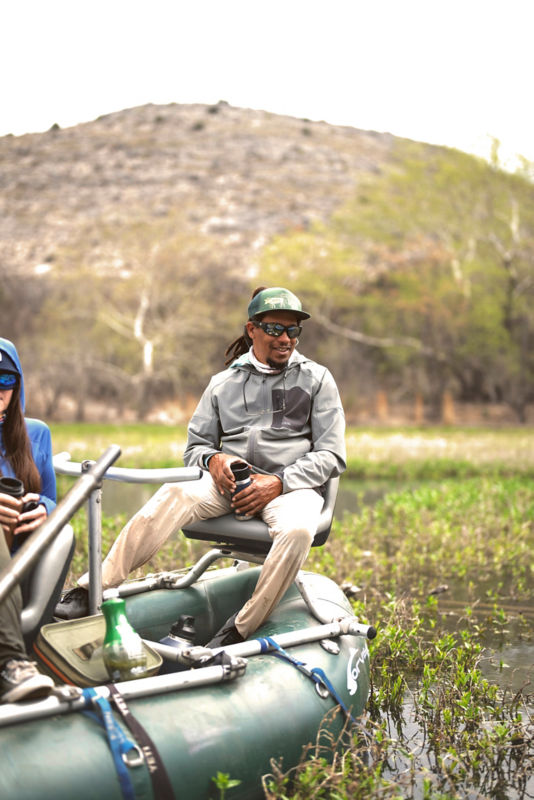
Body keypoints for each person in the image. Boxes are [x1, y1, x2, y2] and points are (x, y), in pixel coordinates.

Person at [56, 287, 346, 647]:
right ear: (251, 330)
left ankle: (239, 629)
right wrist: (214, 459)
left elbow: (331, 455)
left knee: (299, 531)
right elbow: (195, 448)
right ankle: (89, 590)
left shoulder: (318, 379)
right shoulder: (222, 384)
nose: (285, 339)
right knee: (173, 492)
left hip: (290, 489)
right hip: (228, 487)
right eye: (274, 329)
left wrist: (278, 482)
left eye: (292, 330)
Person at [0, 338, 56, 701]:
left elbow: (50, 495)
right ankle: (10, 661)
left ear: (17, 383)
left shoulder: (36, 434)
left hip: (21, 556)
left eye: (4, 380)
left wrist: (44, 510)